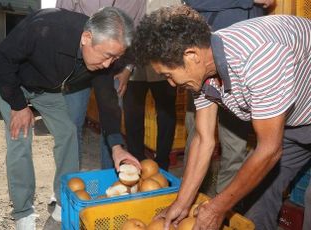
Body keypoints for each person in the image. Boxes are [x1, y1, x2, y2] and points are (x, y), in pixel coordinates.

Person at [132, 5, 311, 230]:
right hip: (293, 119)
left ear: (191, 55)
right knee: (256, 199)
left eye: (169, 75)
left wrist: (218, 207)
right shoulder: (204, 70)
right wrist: (182, 202)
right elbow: (203, 138)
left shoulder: (260, 58)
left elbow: (269, 149)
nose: (172, 84)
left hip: (300, 112)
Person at [0, 7, 140, 230]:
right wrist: (19, 106)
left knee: (68, 132)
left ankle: (64, 202)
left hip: (47, 89)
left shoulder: (102, 57)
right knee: (20, 137)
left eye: (116, 58)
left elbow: (107, 100)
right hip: (12, 82)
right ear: (87, 37)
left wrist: (117, 145)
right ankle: (24, 212)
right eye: (107, 56)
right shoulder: (45, 27)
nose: (109, 64)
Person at [183, 0, 274, 195]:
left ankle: (222, 207)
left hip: (245, 66)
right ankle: (191, 199)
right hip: (205, 61)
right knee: (200, 139)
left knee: (235, 148)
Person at [56, 0, 146, 169]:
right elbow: (61, 19)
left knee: (112, 121)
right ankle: (67, 181)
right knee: (71, 126)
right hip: (78, 66)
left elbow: (138, 35)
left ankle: (111, 177)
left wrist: (128, 68)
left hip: (113, 68)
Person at [123, 0, 181, 171]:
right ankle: (136, 160)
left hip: (164, 65)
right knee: (132, 115)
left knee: (166, 115)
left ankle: (162, 162)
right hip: (132, 66)